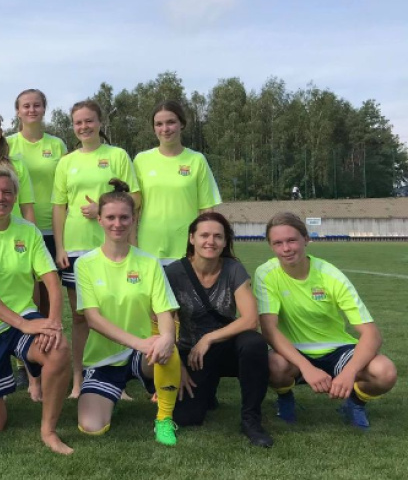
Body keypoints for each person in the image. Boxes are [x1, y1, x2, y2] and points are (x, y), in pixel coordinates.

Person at [0, 165, 73, 455]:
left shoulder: (28, 231)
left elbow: (51, 280)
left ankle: (48, 431)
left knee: (58, 348)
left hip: (23, 318)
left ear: (15, 196)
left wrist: (54, 322)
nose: (0, 198)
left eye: (7, 192)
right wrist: (23, 324)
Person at [255, 212, 397, 430]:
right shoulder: (266, 274)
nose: (286, 248)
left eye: (292, 240)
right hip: (293, 351)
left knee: (385, 371)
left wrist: (349, 373)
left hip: (337, 348)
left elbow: (372, 334)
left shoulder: (330, 275)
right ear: (271, 246)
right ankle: (285, 398)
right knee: (272, 364)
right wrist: (307, 367)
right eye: (278, 243)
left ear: (306, 239)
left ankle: (355, 403)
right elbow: (269, 330)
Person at [74, 179, 181, 446]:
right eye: (110, 217)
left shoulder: (149, 263)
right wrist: (140, 342)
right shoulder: (85, 264)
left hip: (142, 355)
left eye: (124, 217)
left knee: (168, 349)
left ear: (134, 219)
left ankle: (164, 419)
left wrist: (167, 337)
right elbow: (93, 319)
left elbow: (164, 311)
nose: (117, 223)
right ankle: (111, 392)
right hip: (104, 358)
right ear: (99, 219)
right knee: (92, 427)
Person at [52, 99, 139, 399]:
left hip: (112, 246)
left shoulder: (117, 155)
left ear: (100, 123)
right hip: (76, 249)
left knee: (114, 315)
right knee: (80, 317)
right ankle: (78, 380)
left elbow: (135, 197)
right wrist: (60, 247)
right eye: (78, 122)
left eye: (89, 120)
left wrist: (103, 209)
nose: (84, 126)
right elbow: (59, 206)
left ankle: (118, 381)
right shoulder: (66, 162)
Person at [165, 212, 272, 447]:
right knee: (187, 418)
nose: (210, 241)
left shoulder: (233, 269)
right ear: (192, 238)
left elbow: (250, 319)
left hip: (227, 347)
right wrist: (177, 366)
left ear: (225, 242)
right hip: (192, 354)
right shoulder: (174, 273)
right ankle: (208, 390)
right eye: (204, 235)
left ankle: (251, 419)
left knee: (253, 343)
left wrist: (209, 338)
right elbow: (164, 324)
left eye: (218, 236)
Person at [7, 89, 67, 395]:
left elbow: (65, 187)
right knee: (22, 295)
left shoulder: (57, 145)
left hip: (52, 228)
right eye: (26, 106)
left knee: (46, 297)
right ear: (17, 111)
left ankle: (43, 357)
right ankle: (22, 365)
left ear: (44, 109)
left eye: (37, 105)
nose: (31, 110)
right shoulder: (8, 144)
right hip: (17, 230)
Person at [134, 100, 221, 264]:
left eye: (171, 122)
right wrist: (132, 246)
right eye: (159, 124)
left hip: (187, 251)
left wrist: (205, 246)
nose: (165, 129)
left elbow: (207, 211)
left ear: (182, 124)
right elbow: (134, 209)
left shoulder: (197, 160)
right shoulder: (141, 160)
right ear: (153, 128)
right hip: (148, 250)